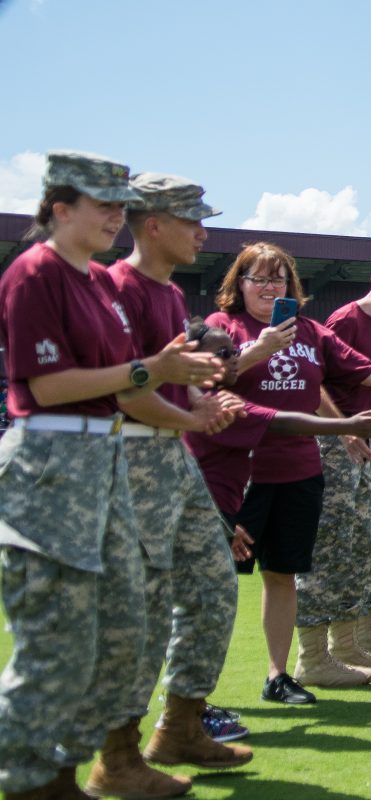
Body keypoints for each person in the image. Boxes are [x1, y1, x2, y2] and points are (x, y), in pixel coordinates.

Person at [0, 151, 223, 799]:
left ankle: (78, 768)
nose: (114, 217)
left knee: (121, 626)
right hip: (55, 459)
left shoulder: (95, 283)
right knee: (58, 638)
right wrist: (153, 374)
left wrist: (172, 383)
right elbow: (51, 384)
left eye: (118, 205)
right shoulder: (34, 274)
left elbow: (139, 374)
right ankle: (34, 778)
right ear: (58, 209)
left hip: (100, 457)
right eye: (102, 205)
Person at [206, 241, 371, 704]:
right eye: (258, 278)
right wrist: (258, 350)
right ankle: (194, 698)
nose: (269, 287)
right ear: (238, 284)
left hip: (299, 466)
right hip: (239, 468)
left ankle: (286, 672)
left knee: (292, 570)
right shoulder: (223, 327)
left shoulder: (306, 330)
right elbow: (204, 381)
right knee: (216, 578)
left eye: (278, 279)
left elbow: (363, 371)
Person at [87, 173, 255, 798]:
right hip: (130, 460)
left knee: (214, 586)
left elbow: (169, 385)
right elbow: (126, 390)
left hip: (170, 458)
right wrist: (192, 414)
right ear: (153, 224)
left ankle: (181, 726)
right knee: (143, 608)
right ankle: (117, 757)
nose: (203, 232)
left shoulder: (164, 294)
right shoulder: (115, 287)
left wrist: (199, 403)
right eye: (192, 221)